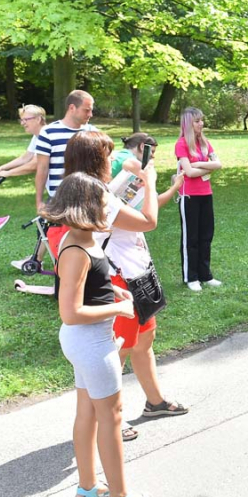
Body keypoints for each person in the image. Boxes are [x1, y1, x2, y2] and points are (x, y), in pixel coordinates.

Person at [63, 131, 185, 439]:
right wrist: (150, 181)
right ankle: (112, 417)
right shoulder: (95, 196)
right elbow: (148, 221)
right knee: (119, 347)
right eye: (107, 156)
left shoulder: (97, 189)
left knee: (144, 339)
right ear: (96, 161)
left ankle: (154, 401)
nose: (112, 161)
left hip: (135, 270)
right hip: (118, 276)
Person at [44, 171, 150, 497]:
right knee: (112, 417)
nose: (109, 209)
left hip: (87, 342)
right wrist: (119, 309)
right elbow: (71, 312)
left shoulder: (80, 238)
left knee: (88, 412)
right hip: (90, 342)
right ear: (85, 208)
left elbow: (89, 281)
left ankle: (88, 486)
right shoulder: (76, 249)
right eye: (104, 204)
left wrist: (110, 289)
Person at [33, 90, 98, 261]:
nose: (90, 114)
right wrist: (39, 201)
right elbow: (42, 169)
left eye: (91, 110)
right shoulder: (49, 132)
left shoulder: (92, 131)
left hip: (87, 196)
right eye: (86, 110)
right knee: (59, 237)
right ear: (72, 108)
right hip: (59, 197)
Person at [175, 107, 222, 291]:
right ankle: (191, 277)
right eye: (197, 121)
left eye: (202, 120)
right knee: (191, 238)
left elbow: (218, 164)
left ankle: (205, 275)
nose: (201, 124)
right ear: (188, 124)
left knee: (206, 236)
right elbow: (189, 172)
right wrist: (207, 167)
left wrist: (198, 164)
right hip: (189, 196)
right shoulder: (181, 144)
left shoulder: (204, 143)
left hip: (206, 194)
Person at [0, 105, 48, 179]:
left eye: (26, 119)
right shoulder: (37, 135)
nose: (22, 123)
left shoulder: (46, 135)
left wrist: (8, 173)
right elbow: (25, 158)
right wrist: (1, 168)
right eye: (21, 120)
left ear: (38, 119)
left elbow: (35, 165)